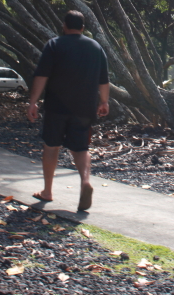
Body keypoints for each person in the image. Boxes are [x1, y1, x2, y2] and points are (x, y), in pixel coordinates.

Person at [27, 11, 109, 211]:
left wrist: (32, 102)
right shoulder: (96, 47)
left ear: (64, 26)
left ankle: (47, 191)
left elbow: (42, 75)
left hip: (57, 107)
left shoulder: (54, 44)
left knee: (51, 146)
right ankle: (85, 181)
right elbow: (104, 80)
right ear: (83, 27)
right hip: (84, 107)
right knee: (80, 148)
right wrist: (104, 101)